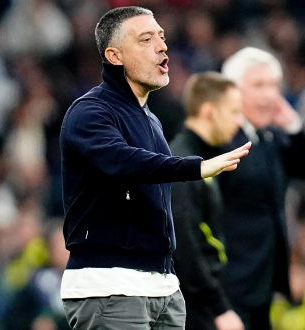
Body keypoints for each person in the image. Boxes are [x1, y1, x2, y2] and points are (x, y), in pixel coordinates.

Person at [59, 7, 251, 330]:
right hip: (111, 287)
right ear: (114, 55)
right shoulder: (89, 112)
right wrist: (196, 167)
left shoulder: (153, 121)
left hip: (163, 289)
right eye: (146, 39)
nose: (162, 46)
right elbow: (125, 162)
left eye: (161, 37)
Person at [219, 47, 305, 330]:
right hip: (228, 286)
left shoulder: (270, 138)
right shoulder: (217, 141)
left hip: (263, 282)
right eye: (258, 85)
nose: (269, 95)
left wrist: (293, 124)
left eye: (274, 86)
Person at [170, 72, 245, 330]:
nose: (239, 122)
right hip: (190, 308)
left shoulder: (201, 159)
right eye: (234, 112)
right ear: (209, 111)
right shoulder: (184, 165)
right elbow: (185, 244)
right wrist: (219, 308)